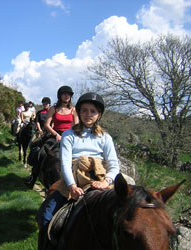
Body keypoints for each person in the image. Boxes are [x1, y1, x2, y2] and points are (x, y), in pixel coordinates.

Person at [36, 92, 120, 249]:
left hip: (99, 178)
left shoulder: (105, 137)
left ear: (99, 115)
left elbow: (114, 165)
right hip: (73, 178)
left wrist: (106, 181)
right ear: (79, 113)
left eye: (93, 111)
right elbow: (65, 164)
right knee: (45, 217)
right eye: (85, 110)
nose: (88, 114)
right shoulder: (69, 135)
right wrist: (72, 186)